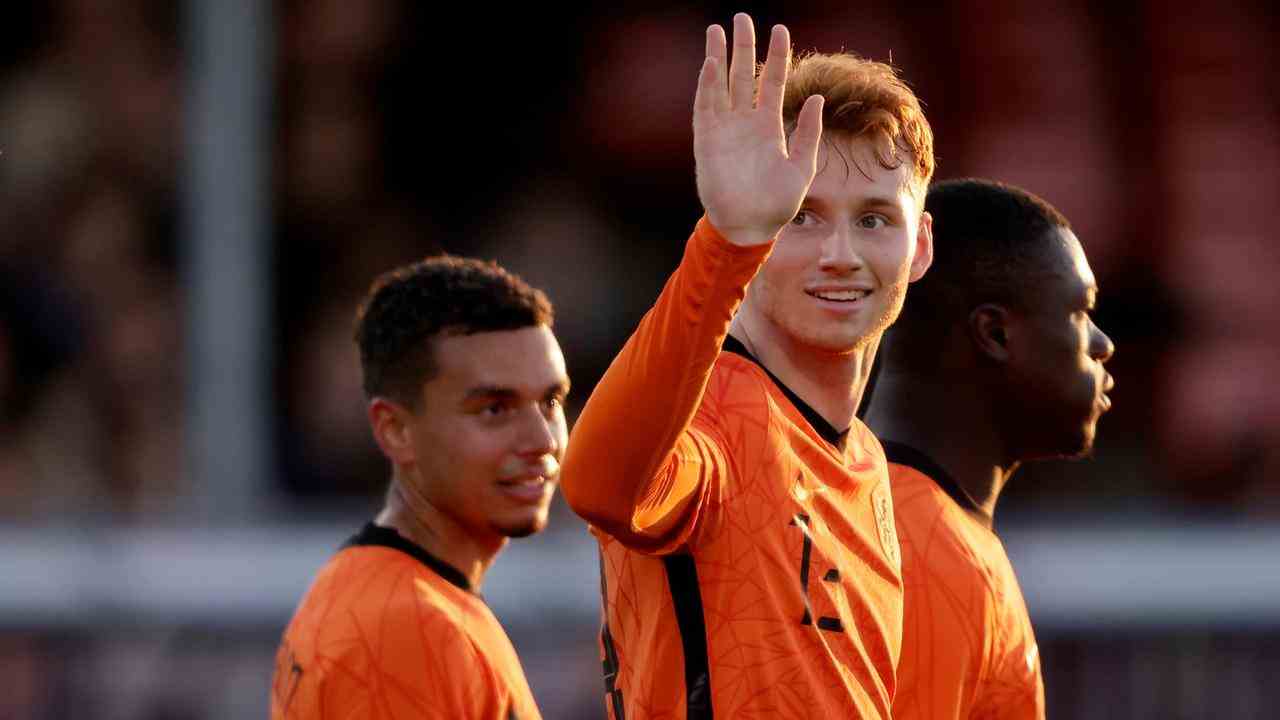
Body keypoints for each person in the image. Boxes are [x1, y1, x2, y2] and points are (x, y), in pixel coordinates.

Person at [559, 13, 934, 719]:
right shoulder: (719, 414)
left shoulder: (865, 460)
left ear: (921, 246)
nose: (842, 254)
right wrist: (728, 241)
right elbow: (599, 484)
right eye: (802, 215)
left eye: (876, 219)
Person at [270, 256, 570, 720]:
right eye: (495, 408)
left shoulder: (381, 593)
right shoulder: (409, 631)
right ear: (395, 431)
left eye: (550, 401)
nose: (543, 440)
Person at [862, 179, 1116, 719]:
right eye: (1080, 311)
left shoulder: (916, 525)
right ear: (996, 334)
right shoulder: (919, 550)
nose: (1101, 344)